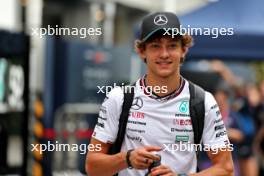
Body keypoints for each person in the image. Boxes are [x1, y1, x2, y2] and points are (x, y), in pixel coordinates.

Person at [86, 12, 234, 176]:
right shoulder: (118, 98)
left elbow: (225, 168)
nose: (164, 54)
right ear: (142, 51)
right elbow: (92, 166)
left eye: (172, 45)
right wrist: (127, 158)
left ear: (183, 50)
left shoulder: (203, 101)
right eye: (155, 46)